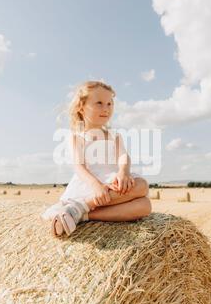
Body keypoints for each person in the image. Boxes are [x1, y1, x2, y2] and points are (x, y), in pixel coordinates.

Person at [40, 80, 151, 237]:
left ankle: (82, 213)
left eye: (109, 104)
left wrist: (123, 172)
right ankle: (82, 204)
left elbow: (123, 156)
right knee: (141, 190)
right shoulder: (77, 136)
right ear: (81, 107)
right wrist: (96, 186)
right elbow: (79, 166)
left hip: (113, 186)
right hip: (90, 186)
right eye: (99, 103)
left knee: (144, 202)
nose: (106, 109)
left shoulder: (114, 136)